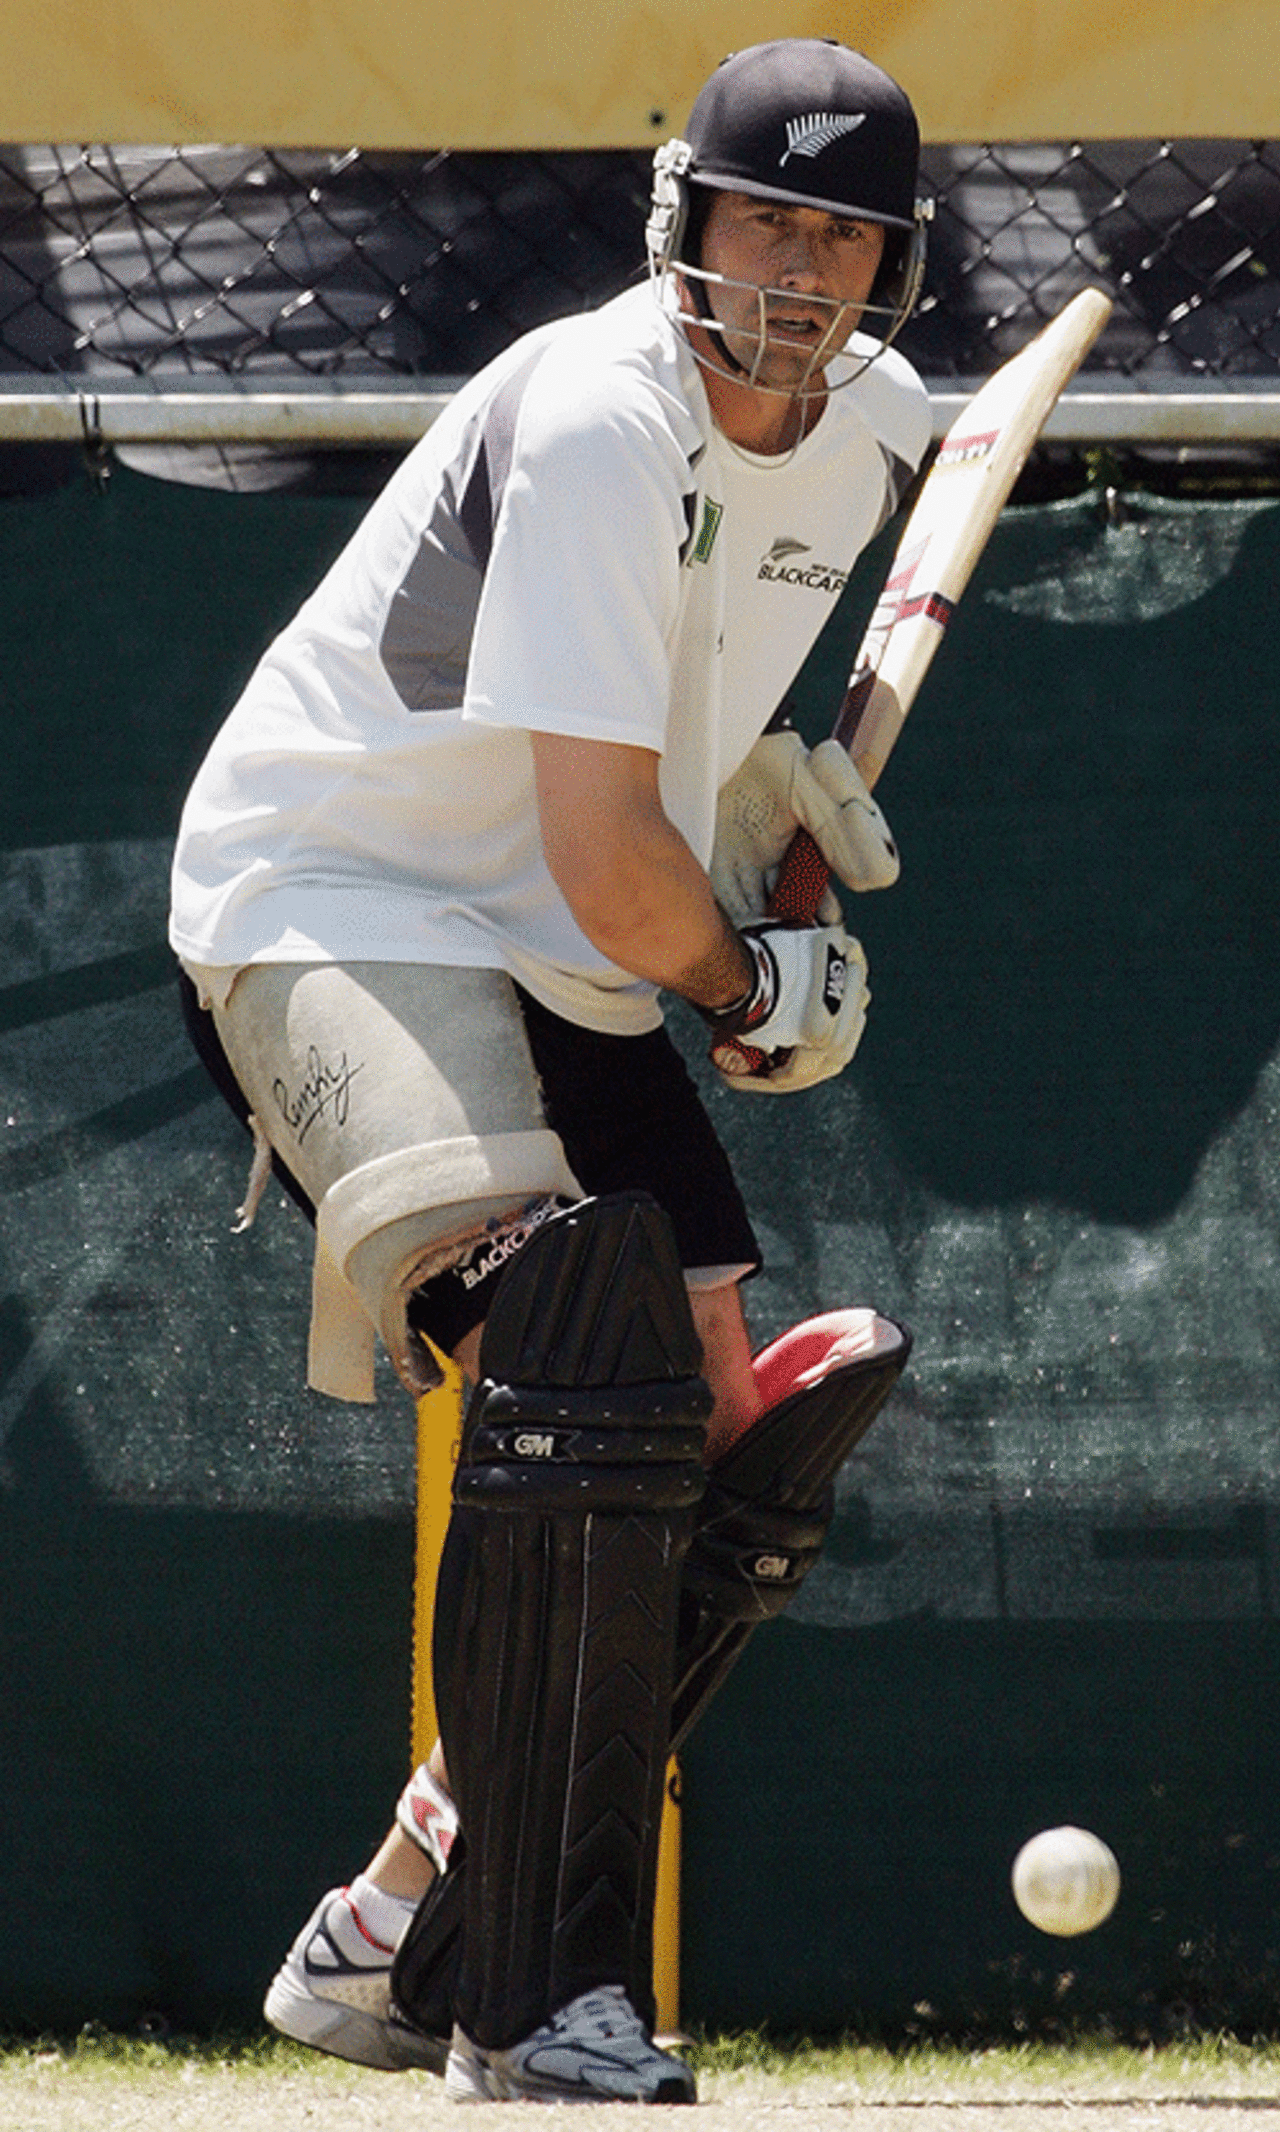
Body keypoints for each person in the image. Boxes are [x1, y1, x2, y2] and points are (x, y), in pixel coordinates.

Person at [169, 36, 931, 2104]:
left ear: (890, 265)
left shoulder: (879, 431)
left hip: (556, 945)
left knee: (725, 1454)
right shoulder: (599, 414)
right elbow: (612, 868)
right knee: (579, 1351)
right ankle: (534, 2005)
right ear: (683, 218)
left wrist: (743, 801)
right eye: (762, 219)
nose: (795, 272)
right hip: (334, 895)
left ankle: (400, 1913)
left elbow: (645, 780)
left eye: (838, 236)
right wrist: (756, 976)